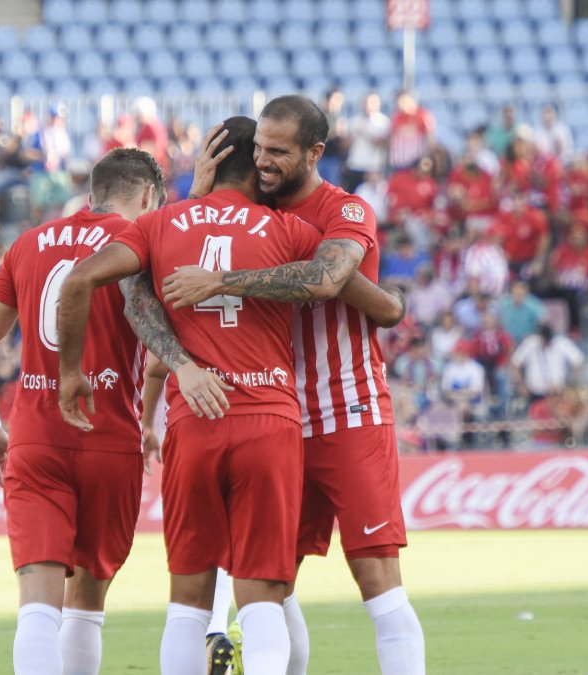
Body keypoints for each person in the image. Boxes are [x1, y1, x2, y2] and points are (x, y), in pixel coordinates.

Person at [56, 117, 403, 675]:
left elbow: (90, 285)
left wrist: (154, 366)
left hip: (194, 419)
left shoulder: (160, 226)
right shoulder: (285, 227)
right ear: (255, 165)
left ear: (210, 162)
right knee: (264, 595)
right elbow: (376, 304)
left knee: (187, 604)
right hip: (271, 422)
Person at [161, 96, 423, 674]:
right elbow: (182, 244)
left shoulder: (346, 209)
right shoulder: (251, 211)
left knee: (377, 577)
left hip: (346, 408)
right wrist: (199, 198)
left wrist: (223, 279)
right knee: (269, 588)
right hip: (270, 418)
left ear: (315, 153)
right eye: (258, 150)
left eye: (278, 152)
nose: (264, 162)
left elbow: (327, 279)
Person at [0, 146, 178, 675]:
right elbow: (158, 355)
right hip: (111, 438)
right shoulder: (141, 244)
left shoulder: (28, 243)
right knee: (86, 605)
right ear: (148, 196)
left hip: (36, 439)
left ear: (92, 192)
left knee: (37, 602)